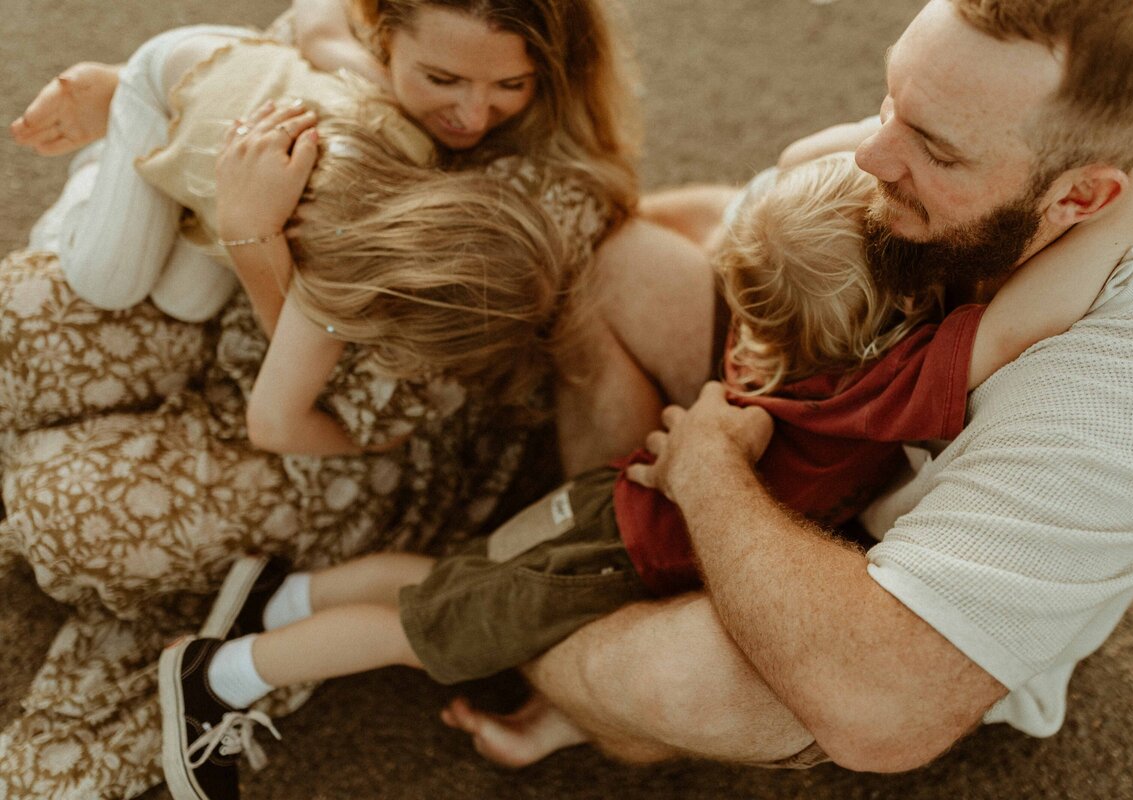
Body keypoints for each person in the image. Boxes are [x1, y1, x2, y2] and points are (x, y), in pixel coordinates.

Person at [156, 145, 1133, 800]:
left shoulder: (754, 348)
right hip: (626, 550)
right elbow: (1036, 311)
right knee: (424, 631)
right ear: (897, 318)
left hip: (603, 507)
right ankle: (220, 675)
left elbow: (766, 201)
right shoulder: (879, 389)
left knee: (454, 579)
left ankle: (276, 595)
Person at [425, 0, 1133, 774]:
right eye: (893, 98)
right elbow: (747, 220)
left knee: (670, 681)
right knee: (618, 266)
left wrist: (705, 469)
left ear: (1082, 200)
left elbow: (884, 716)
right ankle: (593, 574)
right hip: (806, 440)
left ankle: (531, 632)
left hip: (890, 613)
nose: (869, 154)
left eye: (933, 145)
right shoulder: (934, 156)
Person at [0, 2, 648, 798]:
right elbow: (277, 44)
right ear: (384, 40)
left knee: (64, 514)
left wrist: (253, 236)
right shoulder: (352, 58)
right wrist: (141, 94)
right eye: (439, 78)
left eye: (509, 84)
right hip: (233, 323)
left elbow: (349, 406)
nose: (472, 114)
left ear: (554, 71)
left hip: (350, 435)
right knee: (19, 328)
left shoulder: (535, 198)